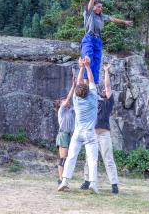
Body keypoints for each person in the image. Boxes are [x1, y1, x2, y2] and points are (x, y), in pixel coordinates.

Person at [58, 56, 99, 194]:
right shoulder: (93, 98)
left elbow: (78, 83)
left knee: (70, 157)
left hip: (77, 132)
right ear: (88, 91)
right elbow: (91, 81)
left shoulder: (76, 99)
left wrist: (81, 67)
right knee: (92, 159)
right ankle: (93, 183)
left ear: (77, 92)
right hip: (89, 133)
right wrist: (88, 65)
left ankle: (64, 181)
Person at [81, 0, 133, 84]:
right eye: (99, 6)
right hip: (89, 38)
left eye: (101, 7)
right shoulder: (89, 13)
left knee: (96, 62)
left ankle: (93, 86)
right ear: (94, 6)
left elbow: (112, 19)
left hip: (98, 40)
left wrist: (124, 22)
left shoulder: (101, 16)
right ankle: (86, 85)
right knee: (88, 59)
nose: (100, 8)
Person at [81, 63, 119, 194]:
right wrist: (87, 68)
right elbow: (89, 84)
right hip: (92, 133)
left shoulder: (108, 102)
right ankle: (87, 181)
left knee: (108, 159)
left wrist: (106, 71)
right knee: (89, 159)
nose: (103, 91)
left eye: (105, 91)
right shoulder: (94, 101)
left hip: (104, 134)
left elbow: (108, 86)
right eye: (102, 91)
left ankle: (114, 184)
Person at [55, 69, 76, 184]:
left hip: (70, 135)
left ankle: (64, 179)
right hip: (63, 135)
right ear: (60, 105)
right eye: (62, 101)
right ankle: (60, 179)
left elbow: (76, 100)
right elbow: (69, 98)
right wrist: (73, 86)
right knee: (63, 158)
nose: (65, 101)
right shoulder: (61, 111)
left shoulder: (70, 110)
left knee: (67, 159)